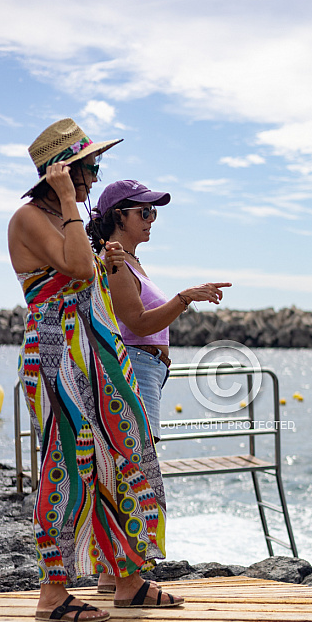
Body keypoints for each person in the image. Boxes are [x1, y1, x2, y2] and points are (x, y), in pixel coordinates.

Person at [8, 118, 183, 622]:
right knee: (67, 461)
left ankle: (128, 578)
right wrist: (67, 201)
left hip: (96, 348)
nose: (93, 176)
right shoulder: (29, 218)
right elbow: (77, 269)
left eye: (93, 167)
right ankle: (52, 592)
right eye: (88, 167)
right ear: (61, 172)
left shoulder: (68, 219)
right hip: (57, 350)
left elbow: (90, 278)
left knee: (124, 450)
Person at [86, 179, 231, 442]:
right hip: (137, 368)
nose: (151, 219)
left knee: (140, 466)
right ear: (119, 216)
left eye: (153, 212)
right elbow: (139, 324)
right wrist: (185, 298)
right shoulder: (115, 262)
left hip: (147, 369)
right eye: (144, 212)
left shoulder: (129, 262)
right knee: (139, 466)